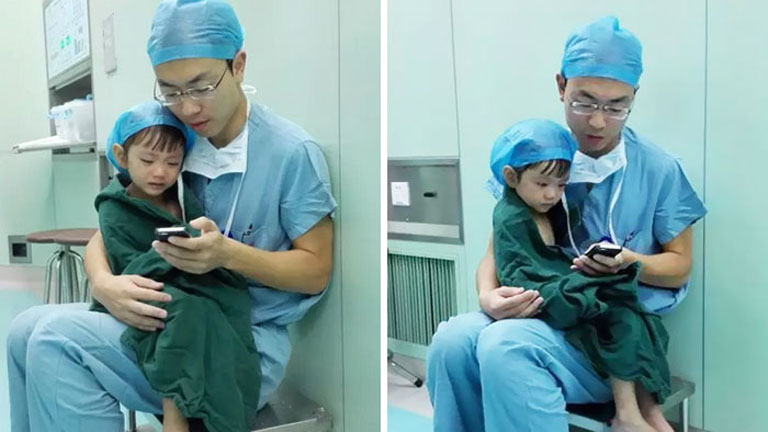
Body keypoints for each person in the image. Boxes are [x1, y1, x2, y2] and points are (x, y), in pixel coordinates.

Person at [7, 1, 336, 431]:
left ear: (238, 66)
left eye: (201, 86)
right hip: (168, 317)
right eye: (171, 91)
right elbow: (111, 229)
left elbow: (316, 270)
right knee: (23, 328)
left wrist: (226, 254)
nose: (188, 107)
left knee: (57, 340)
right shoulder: (174, 144)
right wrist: (103, 283)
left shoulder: (290, 154)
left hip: (236, 342)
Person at [427, 16, 706, 432]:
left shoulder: (659, 170)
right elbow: (497, 247)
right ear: (561, 86)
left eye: (616, 106)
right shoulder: (537, 158)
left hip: (608, 338)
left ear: (634, 97)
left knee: (505, 345)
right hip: (542, 311)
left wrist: (627, 261)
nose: (598, 121)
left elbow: (679, 266)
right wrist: (487, 295)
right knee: (451, 340)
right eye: (584, 102)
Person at [490, 118, 670, 432]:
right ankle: (630, 415)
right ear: (510, 177)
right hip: (534, 295)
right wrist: (579, 284)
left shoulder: (547, 207)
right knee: (616, 309)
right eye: (543, 185)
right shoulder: (511, 217)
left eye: (561, 186)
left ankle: (645, 412)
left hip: (554, 283)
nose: (552, 194)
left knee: (633, 313)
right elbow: (521, 273)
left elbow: (559, 252)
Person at [95, 100, 261, 432]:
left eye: (172, 162)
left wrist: (199, 242)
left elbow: (205, 246)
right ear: (121, 156)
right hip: (146, 291)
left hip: (193, 282)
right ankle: (175, 415)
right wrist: (172, 248)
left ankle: (219, 409)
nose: (160, 172)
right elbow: (129, 267)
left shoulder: (182, 195)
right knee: (185, 312)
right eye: (148, 160)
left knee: (220, 313)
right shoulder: (114, 208)